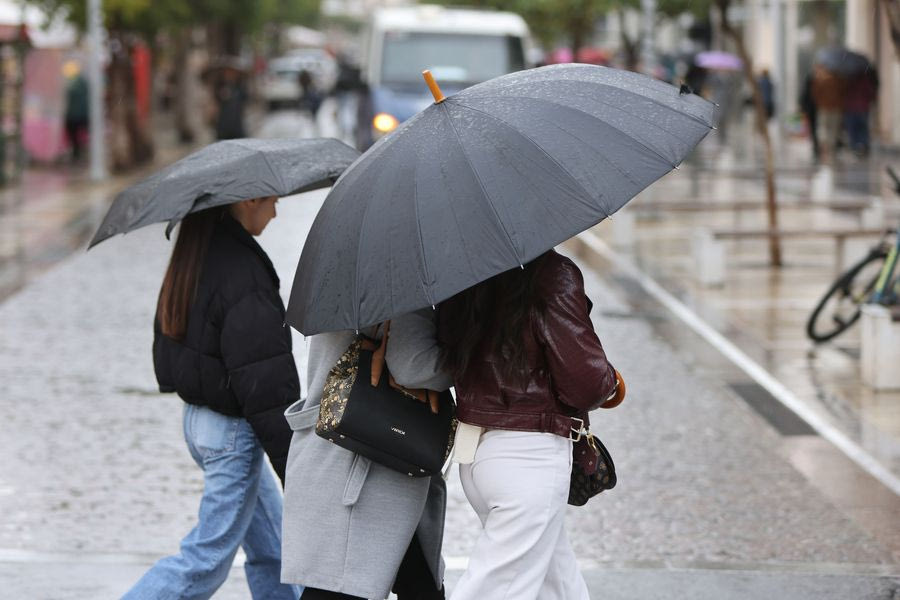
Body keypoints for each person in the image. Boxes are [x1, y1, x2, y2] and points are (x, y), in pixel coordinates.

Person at [123, 198, 300, 600]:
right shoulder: (242, 271)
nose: (275, 212)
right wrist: (296, 465)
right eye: (272, 200)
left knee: (274, 548)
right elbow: (266, 383)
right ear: (248, 200)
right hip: (232, 434)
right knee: (203, 562)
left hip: (201, 423)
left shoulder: (196, 253)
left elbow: (171, 353)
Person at [437, 249, 624, 600]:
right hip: (529, 456)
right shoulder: (551, 273)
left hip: (477, 451)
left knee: (559, 587)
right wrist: (611, 381)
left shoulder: (462, 271)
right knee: (495, 590)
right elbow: (586, 383)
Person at [281, 310, 452, 600]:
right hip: (370, 464)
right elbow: (412, 365)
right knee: (342, 586)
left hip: (343, 450)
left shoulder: (348, 276)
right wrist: (469, 360)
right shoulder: (402, 284)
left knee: (417, 582)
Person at [810, 64, 844, 162]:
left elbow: (814, 94)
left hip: (824, 107)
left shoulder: (819, 81)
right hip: (835, 108)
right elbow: (843, 92)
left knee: (823, 127)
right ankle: (830, 147)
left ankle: (825, 145)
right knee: (833, 129)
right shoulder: (838, 80)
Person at [844, 69, 878, 157]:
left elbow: (843, 93)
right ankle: (863, 147)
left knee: (853, 130)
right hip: (862, 107)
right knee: (862, 129)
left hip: (851, 108)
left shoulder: (848, 81)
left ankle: (855, 147)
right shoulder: (864, 81)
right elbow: (870, 93)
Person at [215, 67, 247, 140]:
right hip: (224, 121)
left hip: (237, 119)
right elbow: (216, 100)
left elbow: (245, 98)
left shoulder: (239, 86)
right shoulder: (220, 86)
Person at [64, 71, 89, 161]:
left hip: (74, 115)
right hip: (81, 115)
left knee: (74, 135)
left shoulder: (72, 84)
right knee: (80, 135)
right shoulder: (84, 84)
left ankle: (77, 152)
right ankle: (79, 151)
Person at [799, 72, 820, 161]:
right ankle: (816, 145)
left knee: (813, 129)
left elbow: (802, 100)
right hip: (815, 111)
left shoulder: (808, 89)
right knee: (815, 128)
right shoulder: (816, 88)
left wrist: (804, 109)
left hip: (811, 111)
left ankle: (816, 145)